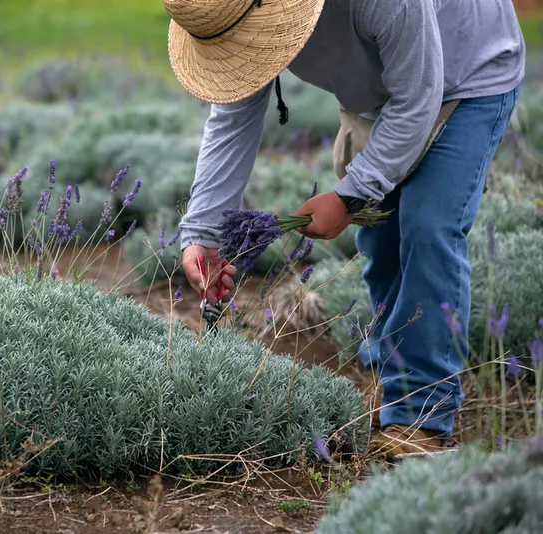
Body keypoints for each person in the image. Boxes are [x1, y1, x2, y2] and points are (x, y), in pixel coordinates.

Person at [163, 0, 526, 457]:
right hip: (381, 89)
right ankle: (397, 356)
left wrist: (349, 196)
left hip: (469, 73)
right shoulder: (237, 12)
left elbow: (417, 101)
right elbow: (233, 118)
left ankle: (421, 411)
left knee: (427, 227)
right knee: (383, 235)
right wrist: (202, 232)